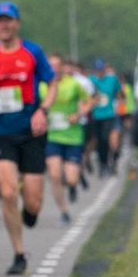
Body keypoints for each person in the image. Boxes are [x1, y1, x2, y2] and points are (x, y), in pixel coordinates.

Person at [0, 1, 56, 275]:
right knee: (8, 193)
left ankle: (28, 213)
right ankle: (19, 253)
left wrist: (43, 110)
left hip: (31, 133)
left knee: (32, 202)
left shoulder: (32, 52)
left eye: (8, 20)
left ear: (17, 23)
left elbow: (51, 81)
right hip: (2, 135)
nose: (4, 25)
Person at [43, 56, 95, 225]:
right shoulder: (43, 86)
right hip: (52, 136)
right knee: (54, 175)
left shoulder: (74, 84)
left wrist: (79, 114)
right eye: (51, 66)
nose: (54, 69)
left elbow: (90, 101)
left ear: (63, 67)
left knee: (71, 179)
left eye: (57, 65)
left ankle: (73, 185)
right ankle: (64, 211)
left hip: (73, 136)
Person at [88, 59, 123, 176]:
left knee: (110, 139)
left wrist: (119, 105)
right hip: (96, 116)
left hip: (110, 115)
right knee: (100, 141)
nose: (99, 72)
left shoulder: (112, 80)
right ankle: (103, 164)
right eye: (97, 70)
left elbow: (119, 95)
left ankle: (112, 160)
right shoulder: (91, 81)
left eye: (101, 70)